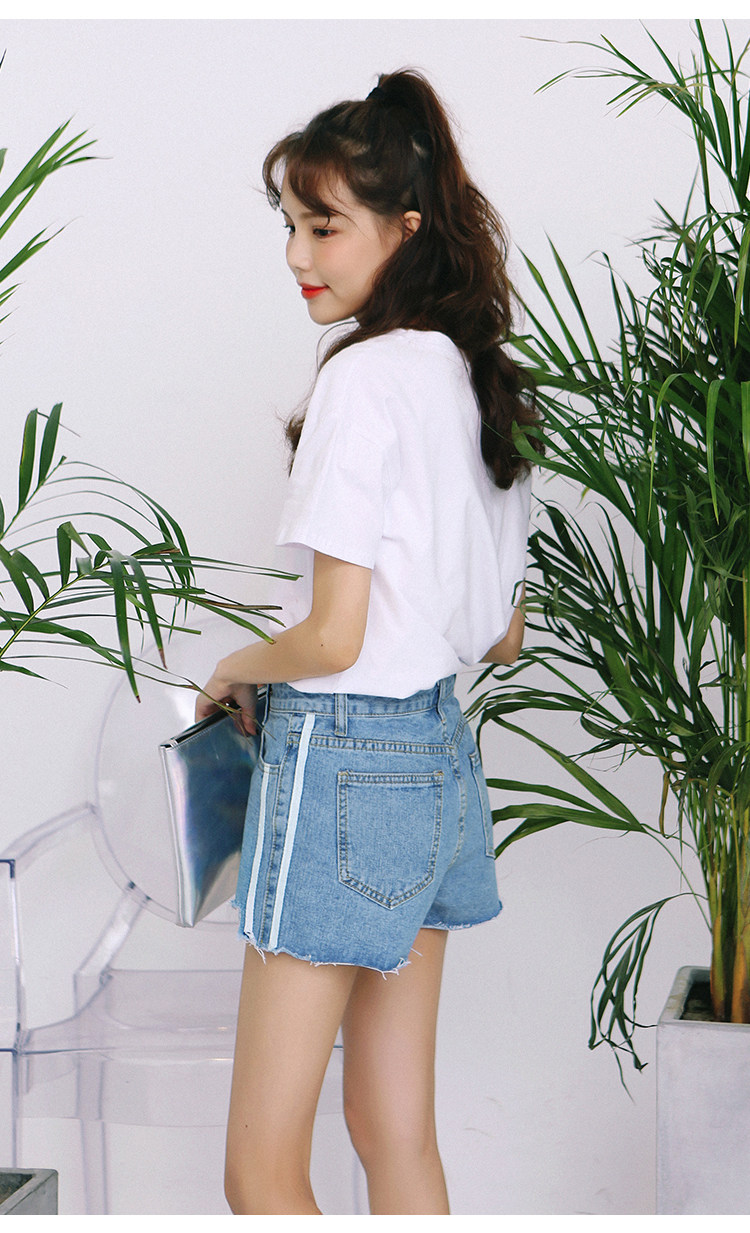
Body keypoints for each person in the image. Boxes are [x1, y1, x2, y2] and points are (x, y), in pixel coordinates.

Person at [195, 68, 541, 1216]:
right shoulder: (477, 380)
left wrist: (232, 669)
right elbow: (502, 636)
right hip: (438, 767)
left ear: (407, 226)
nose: (300, 254)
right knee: (397, 1140)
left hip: (343, 762)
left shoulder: (364, 378)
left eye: (325, 225)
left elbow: (333, 640)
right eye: (290, 224)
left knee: (261, 1169)